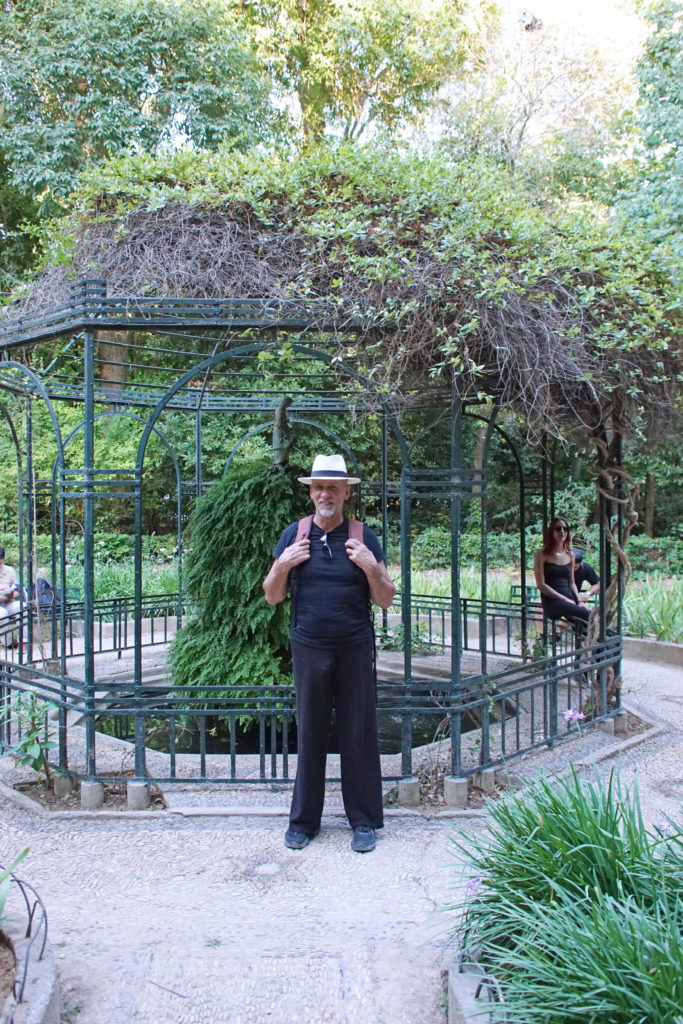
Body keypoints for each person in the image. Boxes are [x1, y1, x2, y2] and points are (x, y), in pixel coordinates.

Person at [263, 454, 396, 853]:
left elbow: (386, 599)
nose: (326, 494)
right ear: (310, 491)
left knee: (358, 731)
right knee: (311, 731)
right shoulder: (294, 534)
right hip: (309, 645)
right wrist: (282, 565)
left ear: (346, 493)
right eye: (319, 487)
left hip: (354, 645)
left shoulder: (363, 536)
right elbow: (271, 596)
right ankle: (304, 822)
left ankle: (364, 822)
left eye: (333, 488)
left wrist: (372, 568)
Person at [534, 517, 590, 627]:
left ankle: (604, 642)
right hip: (553, 601)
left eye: (565, 528)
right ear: (551, 531)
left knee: (589, 619)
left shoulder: (570, 555)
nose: (562, 531)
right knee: (585, 615)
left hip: (569, 598)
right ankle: (606, 642)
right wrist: (564, 599)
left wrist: (579, 601)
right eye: (558, 528)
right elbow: (541, 585)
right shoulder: (541, 554)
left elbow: (571, 583)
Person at [0, 546, 22, 648]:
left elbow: (18, 591)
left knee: (22, 607)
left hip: (8, 601)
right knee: (2, 614)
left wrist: (11, 593)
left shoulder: (10, 571)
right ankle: (9, 642)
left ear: (3, 559)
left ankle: (24, 641)